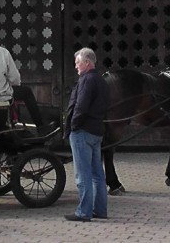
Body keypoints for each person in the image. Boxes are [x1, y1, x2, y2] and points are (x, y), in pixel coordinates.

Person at [64, 47, 109, 222]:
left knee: (82, 174)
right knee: (97, 174)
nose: (76, 67)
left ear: (87, 63)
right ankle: (100, 209)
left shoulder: (86, 80)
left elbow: (80, 106)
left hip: (83, 131)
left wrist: (73, 126)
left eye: (77, 63)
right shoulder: (102, 81)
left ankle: (84, 211)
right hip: (97, 130)